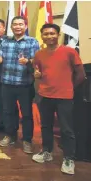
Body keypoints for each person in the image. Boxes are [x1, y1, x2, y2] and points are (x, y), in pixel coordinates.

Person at [32, 23, 86, 175]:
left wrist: (68, 88)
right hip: (44, 96)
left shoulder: (69, 52)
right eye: (46, 34)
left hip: (64, 97)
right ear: (42, 36)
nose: (49, 36)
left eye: (52, 33)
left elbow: (81, 75)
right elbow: (39, 72)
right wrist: (37, 76)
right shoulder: (39, 54)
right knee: (45, 126)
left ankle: (69, 158)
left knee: (67, 129)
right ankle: (47, 152)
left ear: (58, 34)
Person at [0, 16, 39, 154]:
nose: (17, 27)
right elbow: (1, 57)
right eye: (15, 24)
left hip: (25, 84)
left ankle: (27, 140)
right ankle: (10, 135)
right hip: (7, 83)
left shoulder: (32, 42)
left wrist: (28, 61)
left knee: (26, 114)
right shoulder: (5, 42)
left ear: (25, 26)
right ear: (11, 27)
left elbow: (37, 61)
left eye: (20, 24)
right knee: (8, 112)